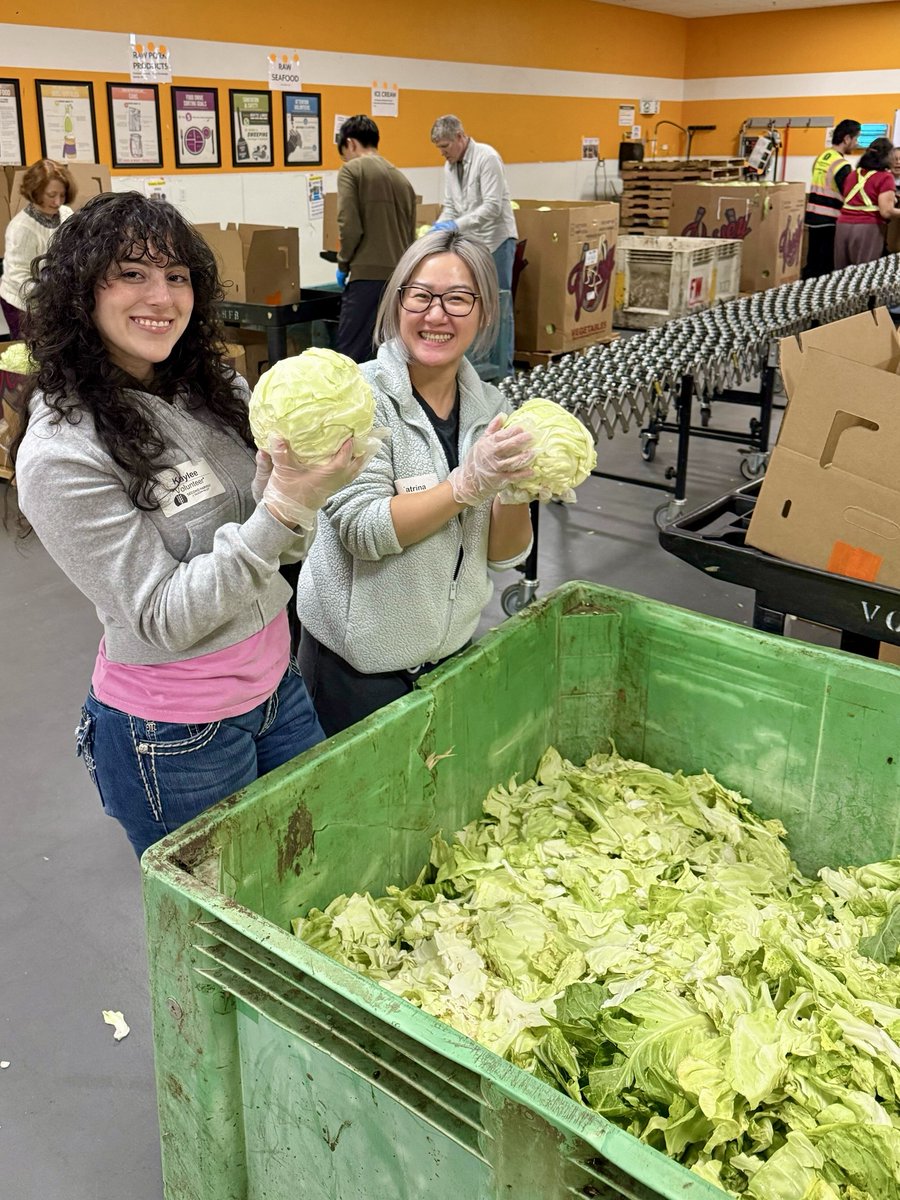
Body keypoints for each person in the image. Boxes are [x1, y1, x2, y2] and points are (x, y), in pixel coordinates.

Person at [12, 191, 363, 858]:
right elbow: (163, 616)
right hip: (173, 732)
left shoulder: (215, 389)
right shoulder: (62, 452)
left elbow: (284, 541)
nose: (162, 296)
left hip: (276, 687)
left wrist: (293, 496)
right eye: (133, 273)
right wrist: (283, 507)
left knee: (319, 869)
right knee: (226, 925)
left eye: (177, 277)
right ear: (81, 290)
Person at [296, 229, 535, 736]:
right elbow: (363, 531)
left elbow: (504, 555)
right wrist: (467, 484)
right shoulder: (357, 399)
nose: (436, 315)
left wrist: (516, 491)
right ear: (398, 301)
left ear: (485, 312)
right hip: (356, 671)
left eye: (458, 299)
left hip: (450, 656)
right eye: (421, 295)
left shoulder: (491, 409)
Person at [430, 115, 518, 378]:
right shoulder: (450, 166)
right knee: (476, 305)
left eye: (445, 146)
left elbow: (492, 207)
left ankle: (506, 370)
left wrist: (455, 226)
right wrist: (438, 229)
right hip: (473, 243)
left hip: (497, 241)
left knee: (500, 305)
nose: (443, 153)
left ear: (460, 136)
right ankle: (478, 370)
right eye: (439, 148)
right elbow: (451, 206)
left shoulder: (487, 158)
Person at [335, 114, 416, 363]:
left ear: (350, 143)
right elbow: (411, 236)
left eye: (344, 153)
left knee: (350, 358)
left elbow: (349, 226)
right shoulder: (403, 180)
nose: (345, 158)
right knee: (389, 357)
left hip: (366, 280)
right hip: (400, 281)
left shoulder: (352, 171)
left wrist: (343, 264)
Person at [0, 159, 76, 338]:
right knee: (34, 351)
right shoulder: (22, 228)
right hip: (23, 301)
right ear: (35, 192)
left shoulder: (65, 214)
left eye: (62, 195)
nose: (57, 201)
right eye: (51, 195)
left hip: (55, 294)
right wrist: (49, 296)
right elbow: (18, 276)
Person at [803, 120, 860, 279]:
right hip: (830, 219)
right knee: (826, 266)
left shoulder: (821, 157)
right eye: (856, 139)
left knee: (813, 262)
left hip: (813, 216)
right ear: (847, 139)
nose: (856, 144)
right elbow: (849, 195)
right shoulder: (842, 164)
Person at [834, 137, 897, 269]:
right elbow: (886, 211)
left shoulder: (853, 174)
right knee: (863, 274)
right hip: (867, 228)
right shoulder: (885, 177)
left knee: (841, 273)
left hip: (843, 226)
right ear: (887, 156)